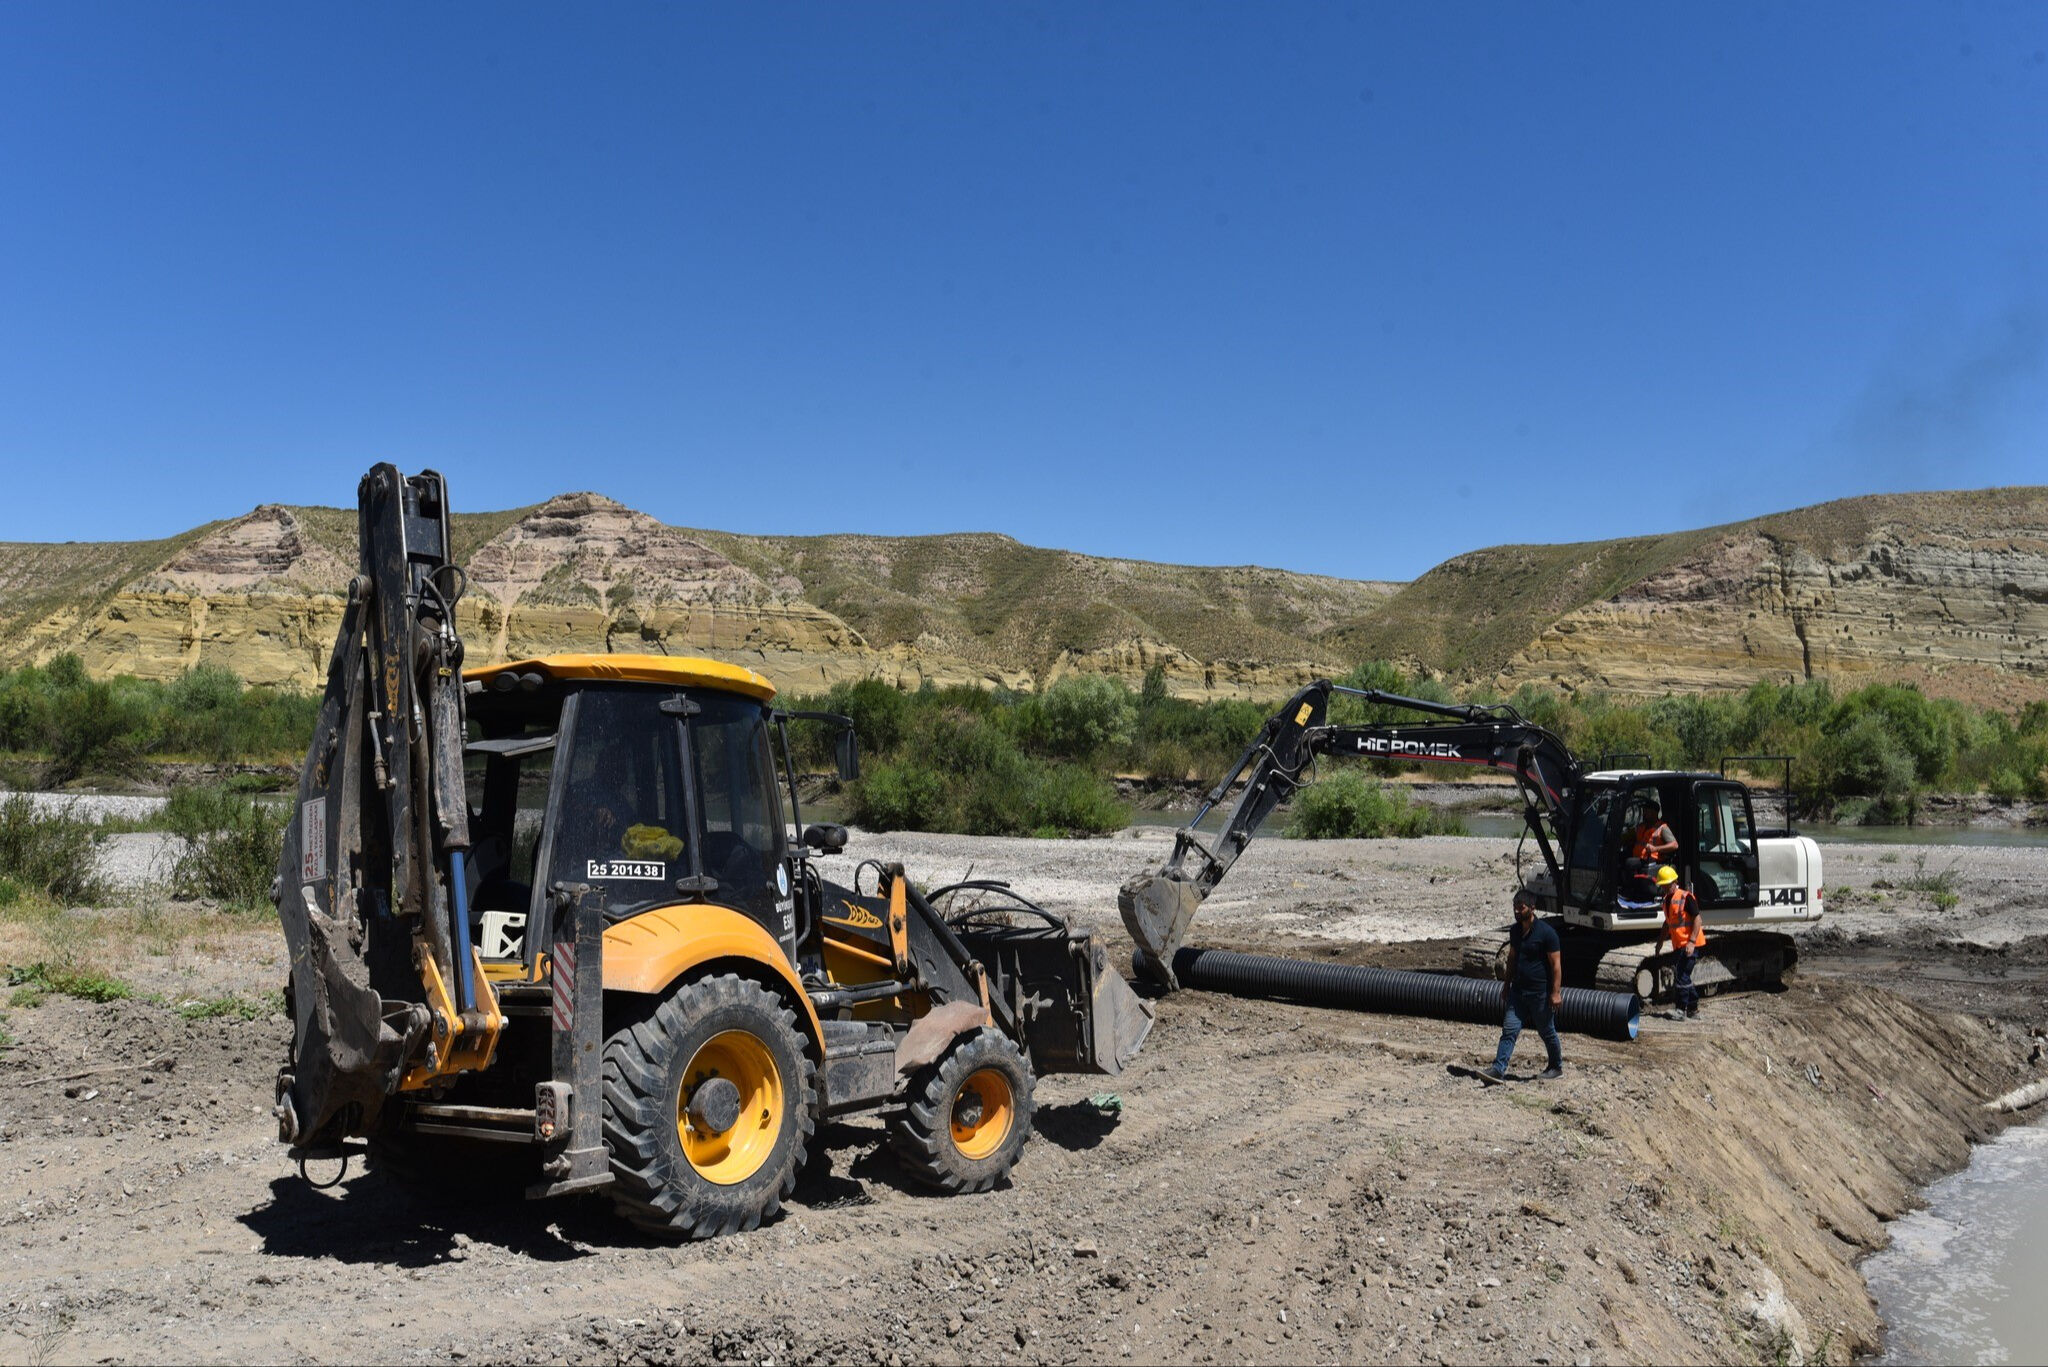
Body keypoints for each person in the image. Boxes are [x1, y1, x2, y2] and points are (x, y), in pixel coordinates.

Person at [1482, 889, 1563, 1082]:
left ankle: (1556, 1066)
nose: (1517, 912)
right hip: (1518, 992)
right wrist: (1506, 985)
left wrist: (1555, 993)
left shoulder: (1547, 934)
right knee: (1509, 1030)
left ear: (1532, 909)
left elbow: (1556, 966)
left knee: (1547, 1031)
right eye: (1515, 908)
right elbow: (1512, 959)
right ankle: (1498, 1069)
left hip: (1540, 995)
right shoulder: (1515, 930)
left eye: (1521, 908)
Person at [1658, 864, 1704, 1019]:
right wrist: (1660, 942)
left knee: (1681, 976)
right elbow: (1668, 924)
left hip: (1690, 945)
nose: (1665, 888)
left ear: (1674, 882)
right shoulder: (1666, 901)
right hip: (1679, 945)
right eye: (1662, 886)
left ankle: (1680, 1009)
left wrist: (1691, 942)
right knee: (1683, 976)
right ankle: (1693, 1010)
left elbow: (1698, 919)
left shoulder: (1686, 897)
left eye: (1666, 885)